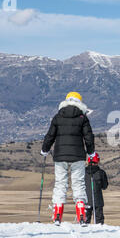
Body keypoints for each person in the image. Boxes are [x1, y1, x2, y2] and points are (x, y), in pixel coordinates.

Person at [40, 91, 95, 226]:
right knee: (79, 184)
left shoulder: (58, 117)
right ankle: (81, 215)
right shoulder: (83, 118)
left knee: (60, 184)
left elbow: (50, 136)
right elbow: (89, 138)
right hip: (78, 156)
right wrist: (91, 153)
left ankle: (57, 215)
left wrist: (44, 150)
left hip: (60, 156)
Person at [85, 152, 108, 225]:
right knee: (99, 223)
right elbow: (104, 186)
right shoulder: (101, 173)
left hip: (86, 200)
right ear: (98, 160)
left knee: (85, 222)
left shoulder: (82, 172)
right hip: (98, 201)